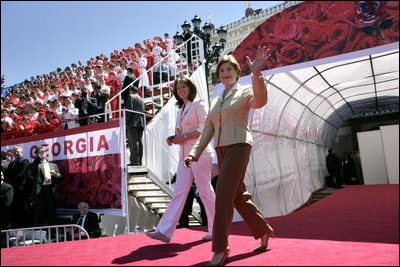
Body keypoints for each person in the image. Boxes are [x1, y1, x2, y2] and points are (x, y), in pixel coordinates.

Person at [184, 47, 274, 266]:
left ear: (236, 72)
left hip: (240, 145)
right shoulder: (216, 101)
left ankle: (220, 250)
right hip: (222, 151)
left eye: (228, 69)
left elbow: (260, 101)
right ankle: (263, 230)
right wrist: (194, 153)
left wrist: (256, 75)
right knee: (237, 196)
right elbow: (207, 130)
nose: (224, 72)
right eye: (221, 70)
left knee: (223, 196)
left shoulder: (243, 91)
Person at [145, 75, 216, 243]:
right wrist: (174, 138)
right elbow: (184, 133)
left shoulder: (198, 104)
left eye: (184, 87)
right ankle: (164, 230)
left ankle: (217, 228)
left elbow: (204, 128)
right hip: (184, 155)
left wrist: (183, 137)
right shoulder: (181, 108)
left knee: (205, 191)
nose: (181, 90)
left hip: (199, 153)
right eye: (178, 88)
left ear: (190, 87)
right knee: (179, 192)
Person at [27, 146, 62, 226]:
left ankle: (52, 232)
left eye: (44, 151)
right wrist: (38, 159)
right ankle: (40, 232)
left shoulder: (53, 165)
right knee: (39, 213)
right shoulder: (34, 165)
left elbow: (60, 175)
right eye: (40, 152)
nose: (42, 153)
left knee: (51, 212)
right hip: (40, 191)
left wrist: (55, 174)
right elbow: (30, 173)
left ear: (47, 153)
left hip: (50, 190)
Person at [4, 146, 30, 228]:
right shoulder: (11, 163)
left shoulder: (25, 161)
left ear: (21, 152)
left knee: (21, 208)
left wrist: (12, 182)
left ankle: (22, 226)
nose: (16, 153)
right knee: (14, 208)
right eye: (14, 151)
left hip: (21, 189)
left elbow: (22, 175)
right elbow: (7, 176)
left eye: (17, 151)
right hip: (12, 189)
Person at [125, 85, 145, 166]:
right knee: (139, 142)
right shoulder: (141, 99)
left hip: (133, 122)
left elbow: (129, 110)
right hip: (141, 122)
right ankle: (139, 161)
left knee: (133, 142)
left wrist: (126, 121)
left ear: (130, 90)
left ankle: (134, 161)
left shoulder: (130, 96)